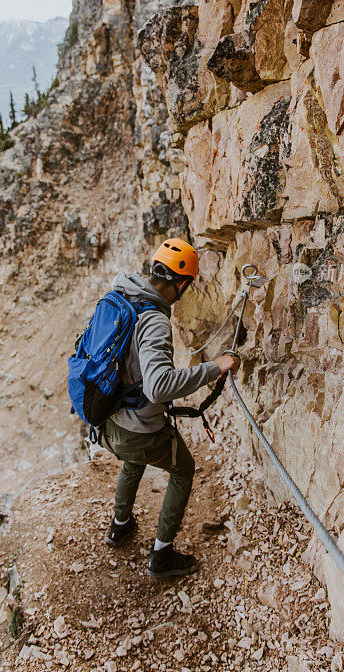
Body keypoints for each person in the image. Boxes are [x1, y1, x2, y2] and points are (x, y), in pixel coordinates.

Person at [98, 237, 240, 579]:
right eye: (185, 287)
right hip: (135, 430)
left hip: (108, 421)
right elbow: (159, 387)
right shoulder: (155, 321)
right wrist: (216, 367)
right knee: (183, 469)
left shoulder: (120, 296)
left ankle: (120, 527)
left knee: (134, 460)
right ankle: (161, 556)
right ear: (181, 283)